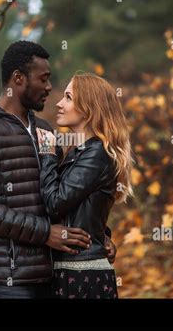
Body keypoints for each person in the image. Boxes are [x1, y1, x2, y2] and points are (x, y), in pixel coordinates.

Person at [0, 41, 116, 298]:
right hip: (10, 281)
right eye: (43, 79)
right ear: (18, 78)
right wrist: (43, 234)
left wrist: (97, 236)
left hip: (53, 275)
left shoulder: (45, 130)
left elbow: (67, 193)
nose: (49, 87)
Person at [36, 72, 133, 299]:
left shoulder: (96, 154)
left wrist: (48, 153)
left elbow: (55, 202)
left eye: (68, 98)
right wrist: (102, 235)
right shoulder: (80, 152)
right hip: (72, 270)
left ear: (88, 108)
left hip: (83, 275)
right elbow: (83, 206)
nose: (59, 103)